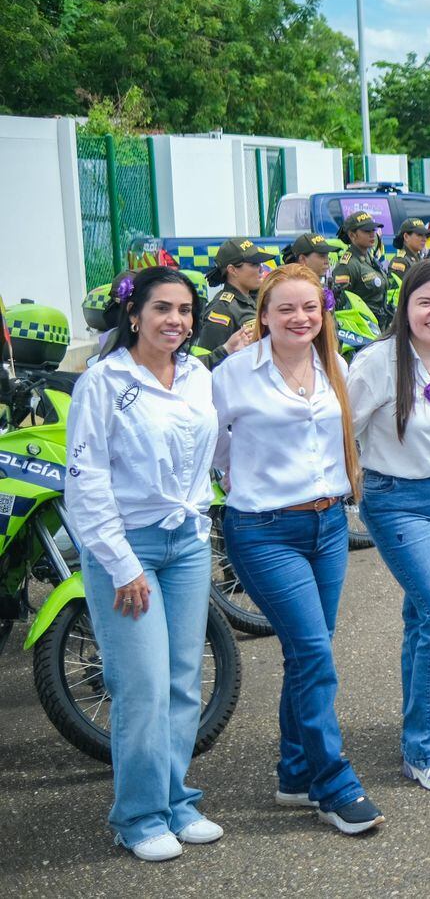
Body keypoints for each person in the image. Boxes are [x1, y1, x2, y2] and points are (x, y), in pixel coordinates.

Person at [211, 263, 382, 836]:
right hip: (263, 532)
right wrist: (240, 479)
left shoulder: (333, 364)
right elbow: (209, 445)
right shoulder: (234, 373)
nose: (299, 317)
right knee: (313, 654)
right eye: (285, 308)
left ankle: (292, 774)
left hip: (328, 526)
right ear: (263, 314)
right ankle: (333, 783)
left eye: (310, 307)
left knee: (306, 653)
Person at [63, 267, 220, 862]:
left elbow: (208, 451)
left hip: (188, 543)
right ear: (134, 314)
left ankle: (176, 800)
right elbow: (87, 480)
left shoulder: (199, 375)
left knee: (183, 681)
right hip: (125, 550)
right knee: (143, 686)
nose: (175, 321)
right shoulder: (103, 382)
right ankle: (137, 816)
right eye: (162, 309)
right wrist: (122, 564)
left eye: (183, 310)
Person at [347, 260, 430, 791]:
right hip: (397, 499)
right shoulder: (378, 362)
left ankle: (427, 731)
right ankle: (426, 750)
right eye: (425, 301)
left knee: (423, 616)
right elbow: (341, 431)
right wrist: (348, 498)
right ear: (405, 305)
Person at [192, 237, 270, 367]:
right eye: (254, 264)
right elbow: (204, 362)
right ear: (232, 270)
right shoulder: (222, 309)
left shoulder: (253, 299)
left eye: (260, 264)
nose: (261, 269)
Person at [331, 211, 392, 330]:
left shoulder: (370, 258)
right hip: (363, 330)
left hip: (381, 326)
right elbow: (340, 305)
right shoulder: (347, 265)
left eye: (373, 230)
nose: (372, 234)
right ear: (352, 235)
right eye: (366, 231)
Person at [387, 219, 430, 288]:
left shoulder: (418, 257)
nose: (424, 239)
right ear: (406, 237)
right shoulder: (400, 262)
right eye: (420, 235)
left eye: (425, 235)